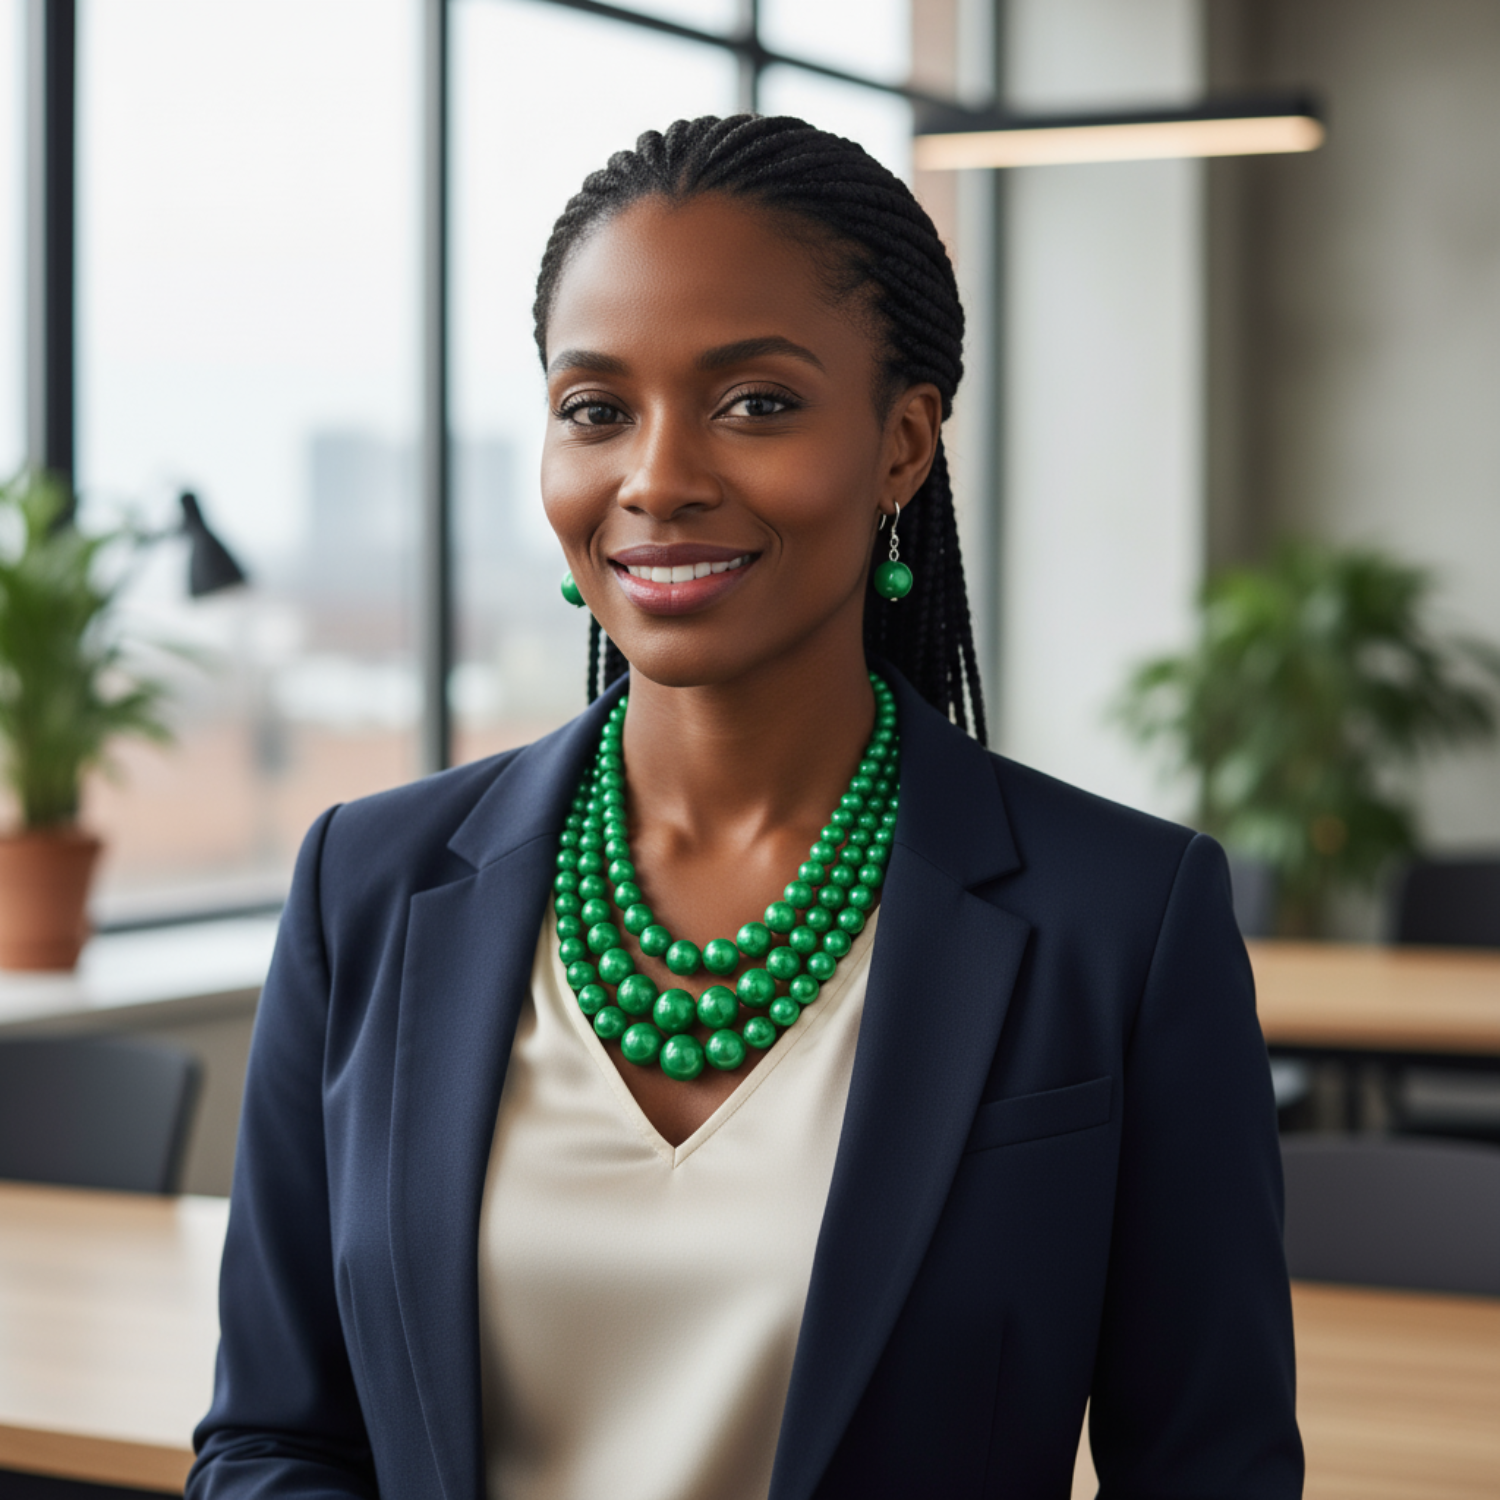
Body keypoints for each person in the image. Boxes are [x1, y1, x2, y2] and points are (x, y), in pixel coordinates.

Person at [189, 115, 1301, 1500]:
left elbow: (1208, 1472)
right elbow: (278, 1440)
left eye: (755, 402)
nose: (658, 477)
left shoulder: (1122, 923)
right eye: (597, 409)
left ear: (902, 445)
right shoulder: (368, 886)